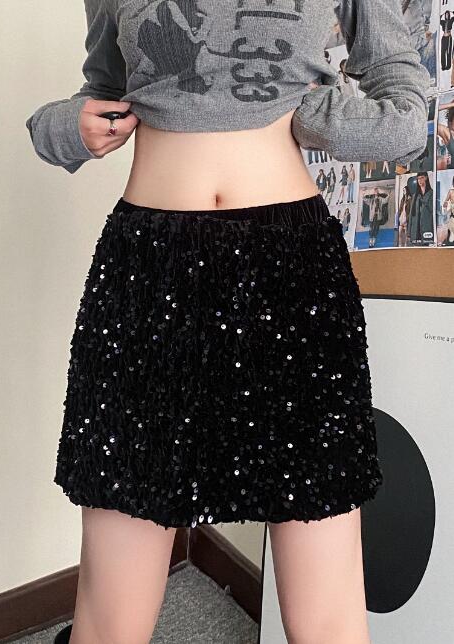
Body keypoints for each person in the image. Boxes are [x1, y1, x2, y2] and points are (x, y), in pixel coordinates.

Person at [25, 1, 430, 643]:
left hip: (290, 277)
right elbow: (103, 87)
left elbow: (404, 114)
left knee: (326, 612)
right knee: (110, 615)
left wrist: (320, 116)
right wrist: (65, 127)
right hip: (148, 273)